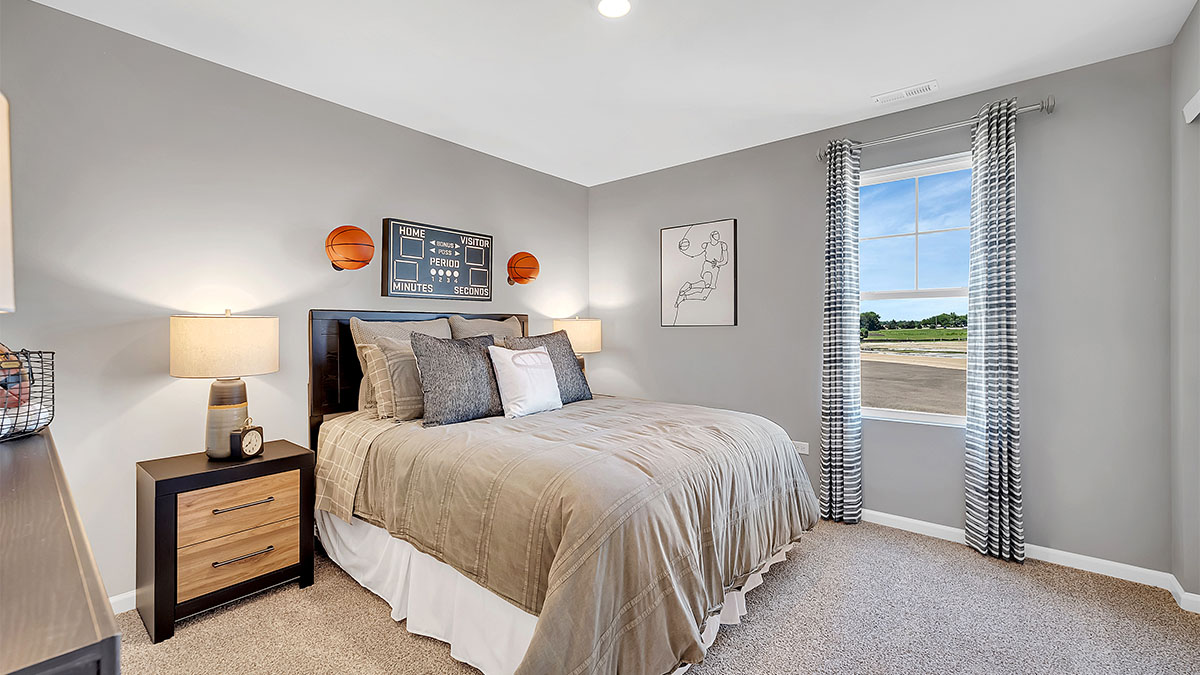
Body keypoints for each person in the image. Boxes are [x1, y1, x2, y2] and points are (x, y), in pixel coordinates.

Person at [672, 228, 729, 324]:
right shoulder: (706, 245)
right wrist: (683, 248)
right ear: (711, 237)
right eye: (714, 235)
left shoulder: (723, 245)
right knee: (706, 283)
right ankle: (689, 286)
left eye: (717, 235)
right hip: (707, 265)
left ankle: (684, 296)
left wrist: (718, 263)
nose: (716, 237)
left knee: (704, 296)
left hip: (715, 268)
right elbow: (695, 253)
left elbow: (725, 260)